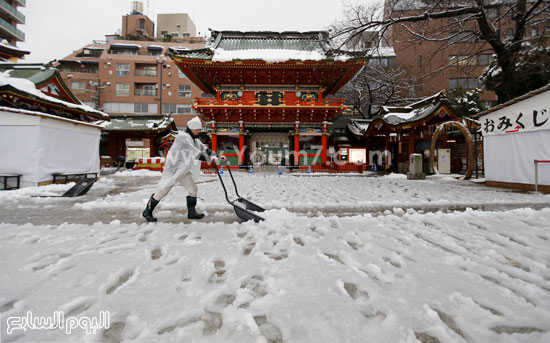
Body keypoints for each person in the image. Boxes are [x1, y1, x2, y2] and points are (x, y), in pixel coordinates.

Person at [142, 116, 224, 222]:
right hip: (174, 169)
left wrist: (216, 155)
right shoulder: (182, 137)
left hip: (183, 170)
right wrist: (210, 158)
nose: (199, 131)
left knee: (193, 189)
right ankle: (147, 211)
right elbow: (195, 153)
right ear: (192, 128)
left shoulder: (194, 139)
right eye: (198, 129)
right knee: (163, 191)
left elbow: (204, 149)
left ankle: (191, 213)